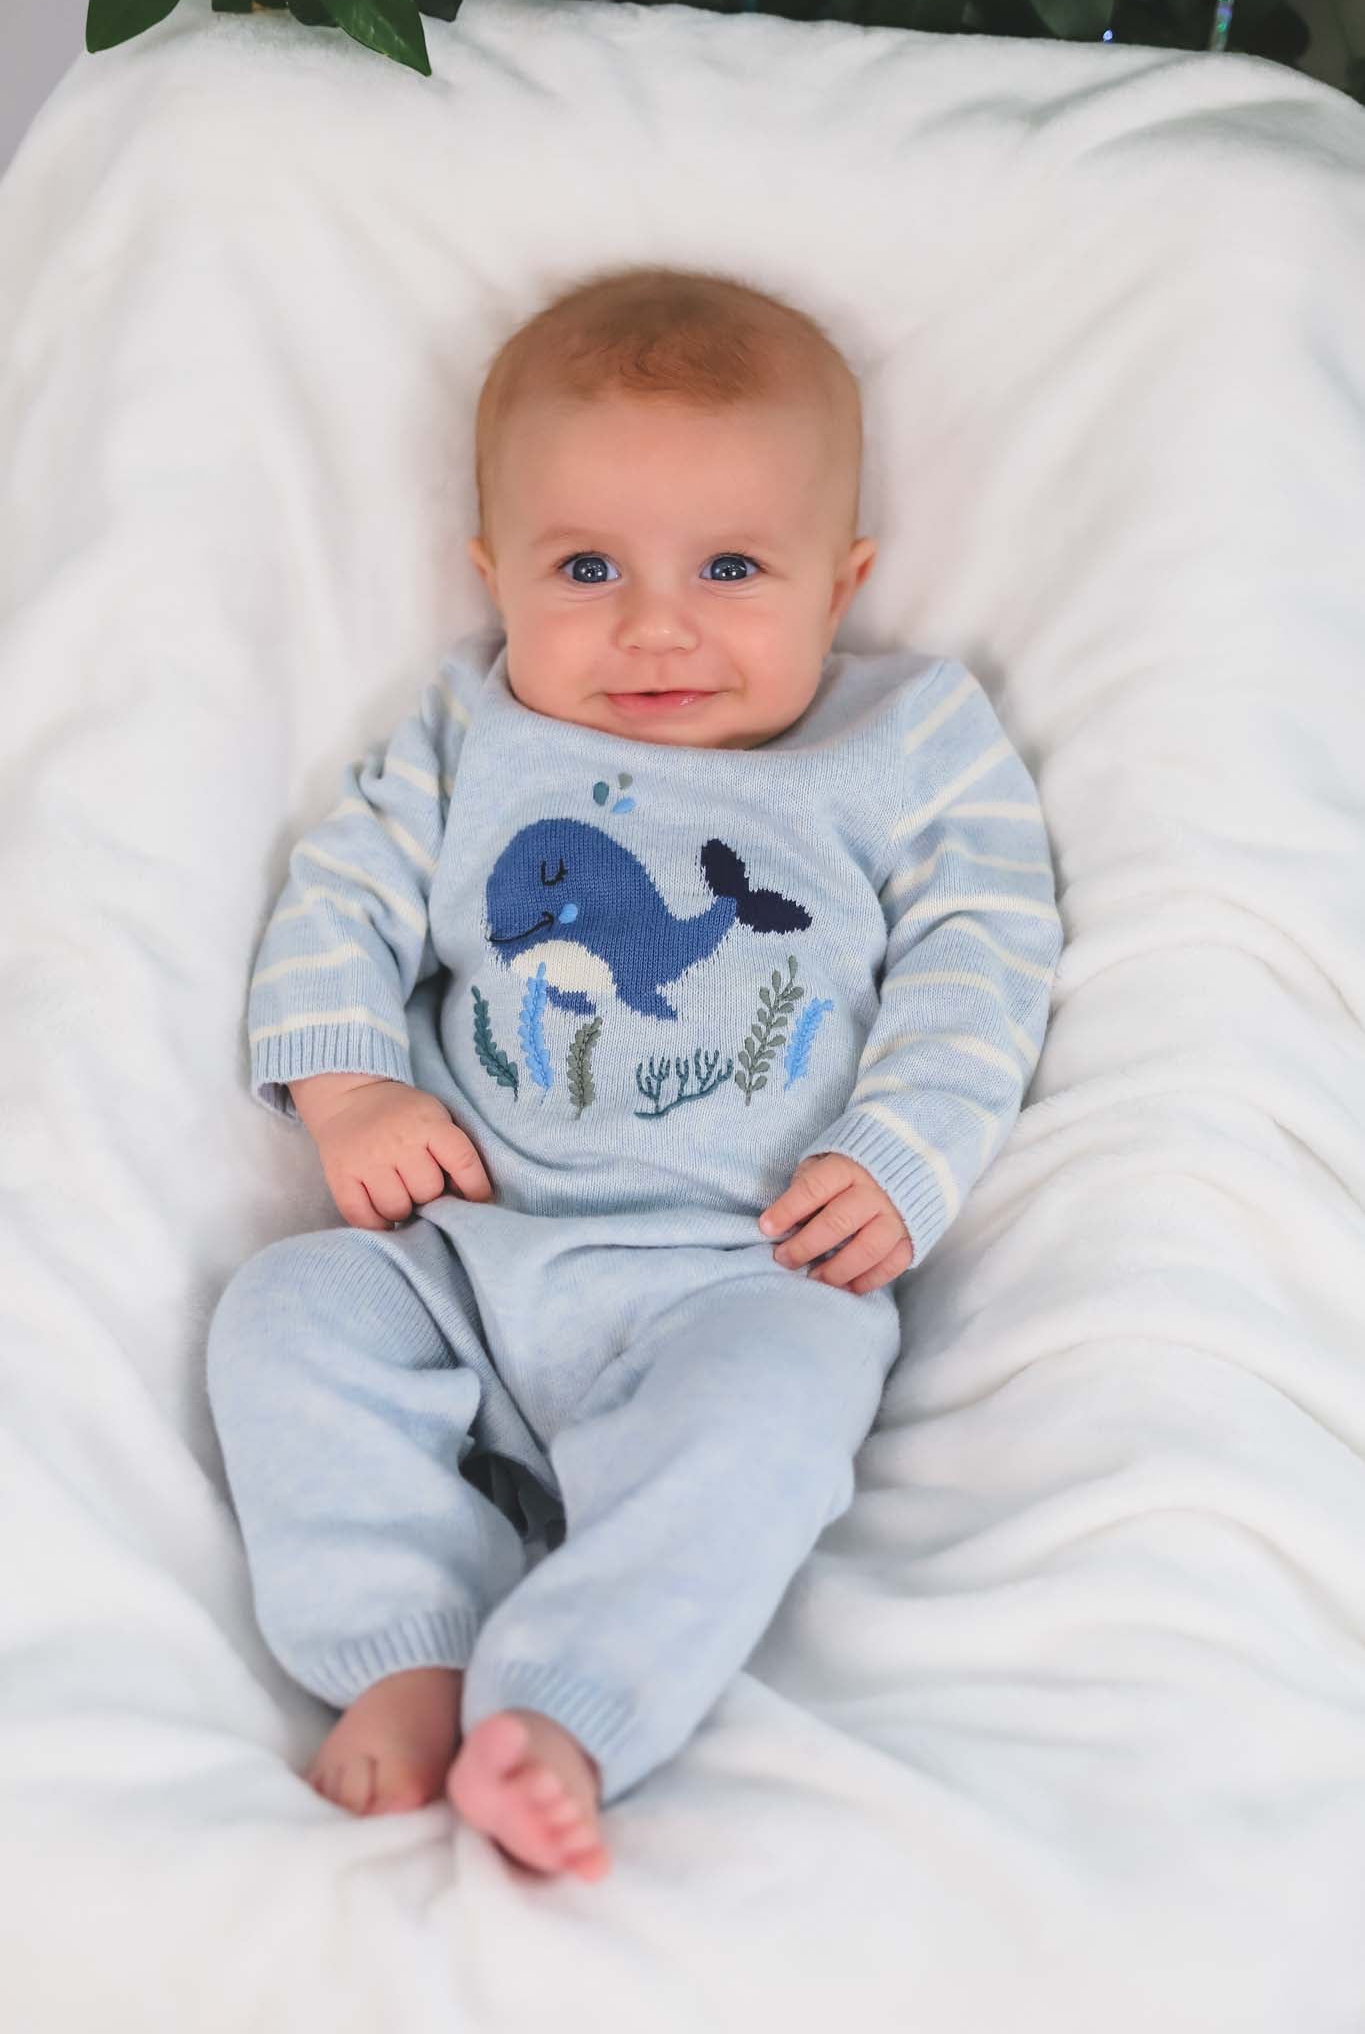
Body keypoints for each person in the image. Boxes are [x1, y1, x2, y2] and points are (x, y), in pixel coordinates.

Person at [206, 264, 1064, 1885]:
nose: (654, 626)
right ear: (492, 574)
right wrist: (348, 1089)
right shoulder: (470, 731)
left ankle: (567, 1706)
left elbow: (988, 948)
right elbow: (342, 894)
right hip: (466, 1253)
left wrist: (904, 1148)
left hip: (740, 1275)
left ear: (840, 581)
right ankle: (406, 1648)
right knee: (285, 1312)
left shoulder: (906, 742)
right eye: (585, 567)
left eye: (730, 567)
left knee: (773, 1420)